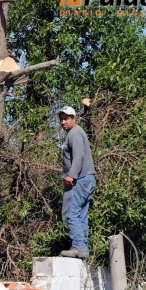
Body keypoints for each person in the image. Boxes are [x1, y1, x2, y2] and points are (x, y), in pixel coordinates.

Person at [59, 106, 96, 259]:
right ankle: (82, 247)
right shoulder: (77, 132)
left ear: (74, 119)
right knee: (80, 215)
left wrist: (71, 175)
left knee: (70, 213)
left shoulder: (74, 133)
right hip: (87, 178)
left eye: (66, 118)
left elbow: (79, 156)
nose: (63, 122)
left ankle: (79, 247)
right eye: (61, 119)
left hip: (79, 180)